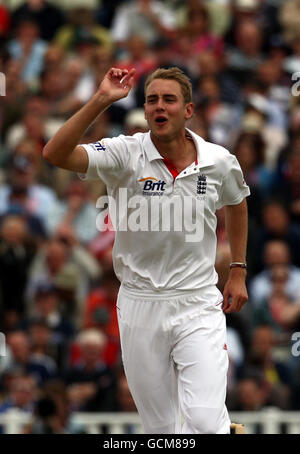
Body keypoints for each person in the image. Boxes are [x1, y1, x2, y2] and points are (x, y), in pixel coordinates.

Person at [43, 66, 250, 434]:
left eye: (169, 99)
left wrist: (237, 268)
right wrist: (102, 99)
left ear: (188, 110)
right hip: (139, 304)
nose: (159, 106)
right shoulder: (124, 153)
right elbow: (55, 153)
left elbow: (237, 202)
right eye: (152, 99)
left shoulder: (217, 159)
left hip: (197, 301)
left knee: (203, 419)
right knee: (163, 431)